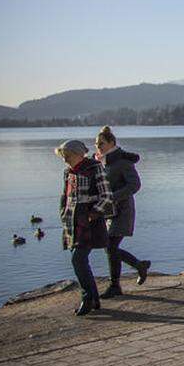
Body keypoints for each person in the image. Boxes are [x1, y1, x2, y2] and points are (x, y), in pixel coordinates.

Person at [55, 139, 114, 316]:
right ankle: (94, 299)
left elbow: (107, 196)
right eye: (63, 155)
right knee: (79, 259)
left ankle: (87, 298)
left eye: (67, 155)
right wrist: (63, 213)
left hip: (89, 223)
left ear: (78, 154)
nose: (65, 158)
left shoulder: (94, 168)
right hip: (73, 222)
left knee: (78, 259)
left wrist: (92, 214)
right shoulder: (68, 172)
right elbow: (65, 197)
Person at [94, 127, 151, 298]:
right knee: (109, 247)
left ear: (112, 143)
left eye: (101, 144)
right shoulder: (102, 162)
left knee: (110, 246)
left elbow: (135, 185)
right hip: (109, 212)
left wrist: (113, 197)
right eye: (96, 144)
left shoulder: (122, 161)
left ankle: (115, 285)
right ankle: (138, 266)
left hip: (122, 211)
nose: (98, 147)